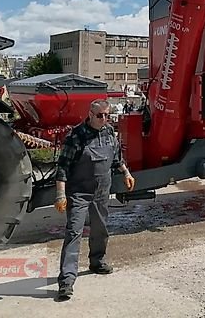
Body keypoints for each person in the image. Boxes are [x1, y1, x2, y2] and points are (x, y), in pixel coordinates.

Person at [54, 99, 135, 301]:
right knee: (74, 232)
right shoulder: (76, 135)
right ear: (90, 114)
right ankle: (66, 280)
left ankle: (97, 261)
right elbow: (63, 167)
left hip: (101, 193)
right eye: (100, 116)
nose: (104, 119)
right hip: (79, 193)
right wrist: (61, 194)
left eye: (108, 116)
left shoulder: (109, 132)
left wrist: (126, 173)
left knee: (100, 229)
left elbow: (116, 159)